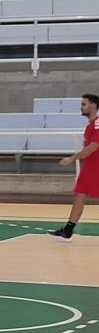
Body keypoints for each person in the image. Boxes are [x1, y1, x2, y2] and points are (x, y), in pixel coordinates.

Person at [50, 93, 99, 242]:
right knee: (79, 195)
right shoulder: (90, 125)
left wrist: (72, 158)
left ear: (93, 106)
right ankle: (68, 231)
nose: (81, 107)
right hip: (90, 167)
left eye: (84, 104)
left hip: (96, 167)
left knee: (80, 195)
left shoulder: (97, 124)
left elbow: (94, 146)